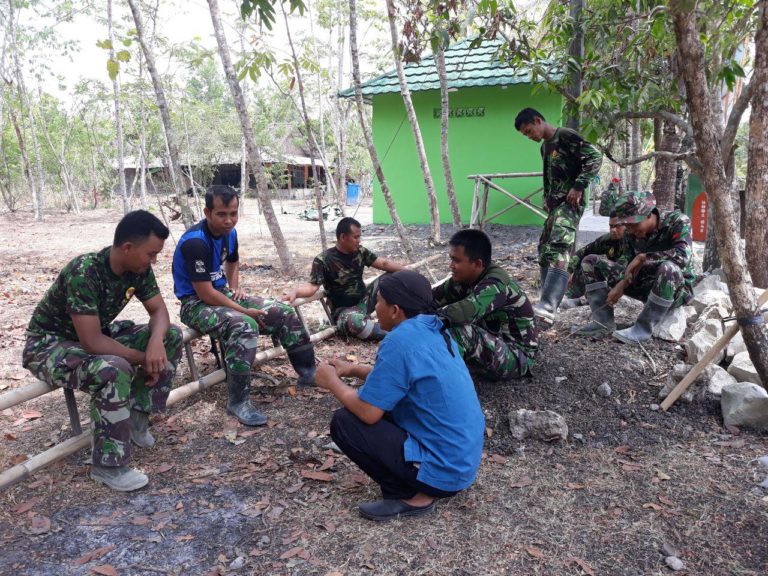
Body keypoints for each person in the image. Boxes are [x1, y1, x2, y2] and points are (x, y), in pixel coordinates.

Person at [22, 211, 183, 492]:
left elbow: (159, 311)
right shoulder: (84, 271)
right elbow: (93, 343)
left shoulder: (139, 268)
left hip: (94, 335)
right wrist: (143, 358)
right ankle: (109, 466)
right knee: (113, 368)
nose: (153, 261)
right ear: (128, 248)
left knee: (171, 336)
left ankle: (135, 422)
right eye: (151, 254)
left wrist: (156, 341)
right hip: (49, 345)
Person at [315, 270, 485, 521]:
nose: (375, 309)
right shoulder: (435, 328)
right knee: (385, 403)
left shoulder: (399, 341)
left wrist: (332, 382)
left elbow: (368, 413)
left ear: (395, 310)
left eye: (379, 302)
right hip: (462, 464)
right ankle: (421, 477)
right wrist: (352, 369)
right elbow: (401, 380)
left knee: (345, 421)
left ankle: (410, 496)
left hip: (444, 473)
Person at [172, 185, 315, 427]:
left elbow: (233, 261)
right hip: (195, 303)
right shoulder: (195, 242)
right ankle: (238, 401)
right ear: (207, 212)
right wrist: (241, 309)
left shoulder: (230, 234)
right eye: (221, 214)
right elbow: (205, 293)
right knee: (243, 325)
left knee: (282, 311)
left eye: (233, 213)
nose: (229, 220)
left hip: (222, 294)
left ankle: (309, 372)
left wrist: (234, 287)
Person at [514, 107, 603, 325]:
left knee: (559, 245)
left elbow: (594, 156)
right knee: (544, 248)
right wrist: (546, 197)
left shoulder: (565, 135)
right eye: (525, 135)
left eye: (529, 131)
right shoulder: (545, 147)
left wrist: (579, 187)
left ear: (538, 120)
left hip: (570, 204)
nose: (529, 136)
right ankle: (549, 299)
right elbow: (549, 176)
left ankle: (548, 305)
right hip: (555, 207)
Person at [574, 191, 695, 343]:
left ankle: (643, 329)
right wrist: (621, 284)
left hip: (675, 289)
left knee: (669, 267)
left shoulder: (678, 222)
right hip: (643, 284)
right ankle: (602, 322)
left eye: (633, 224)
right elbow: (626, 265)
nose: (630, 229)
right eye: (626, 225)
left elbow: (683, 256)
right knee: (590, 261)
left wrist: (644, 257)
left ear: (650, 214)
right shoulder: (631, 233)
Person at [431, 229, 537, 380]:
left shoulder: (496, 284)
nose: (451, 266)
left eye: (457, 260)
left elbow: (465, 311)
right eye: (451, 259)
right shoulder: (462, 280)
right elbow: (431, 299)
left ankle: (443, 384)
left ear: (477, 264)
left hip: (517, 357)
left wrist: (423, 322)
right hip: (494, 345)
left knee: (460, 331)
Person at [283, 217, 404, 340]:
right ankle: (394, 336)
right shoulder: (323, 260)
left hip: (364, 303)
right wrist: (295, 292)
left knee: (392, 277)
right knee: (355, 322)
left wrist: (408, 272)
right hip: (343, 312)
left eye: (359, 237)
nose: (358, 241)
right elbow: (312, 287)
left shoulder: (361, 252)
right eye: (355, 237)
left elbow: (383, 264)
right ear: (343, 237)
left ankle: (399, 319)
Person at [562, 215, 631, 308]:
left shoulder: (633, 241)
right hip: (613, 278)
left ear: (627, 225)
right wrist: (569, 271)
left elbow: (625, 268)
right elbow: (583, 252)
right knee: (585, 264)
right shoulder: (607, 239)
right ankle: (570, 297)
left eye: (617, 226)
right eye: (611, 226)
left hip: (629, 281)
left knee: (596, 262)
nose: (613, 230)